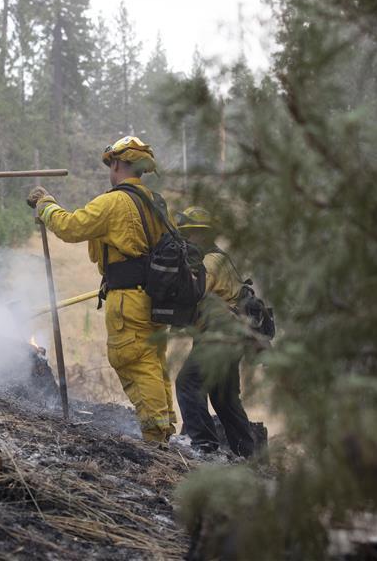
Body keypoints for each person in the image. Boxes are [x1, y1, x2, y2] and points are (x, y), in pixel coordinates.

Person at [27, 136, 176, 444]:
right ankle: (164, 430)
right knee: (153, 361)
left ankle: (155, 437)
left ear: (118, 164)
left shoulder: (114, 202)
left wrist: (46, 205)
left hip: (128, 300)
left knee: (134, 359)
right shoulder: (156, 203)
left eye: (111, 164)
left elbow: (71, 227)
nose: (111, 169)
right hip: (156, 298)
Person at [174, 206, 259, 457]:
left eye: (189, 234)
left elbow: (192, 291)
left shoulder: (210, 263)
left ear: (203, 235)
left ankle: (204, 446)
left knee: (188, 383)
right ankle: (248, 455)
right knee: (224, 397)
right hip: (230, 335)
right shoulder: (217, 258)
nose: (186, 240)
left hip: (219, 335)